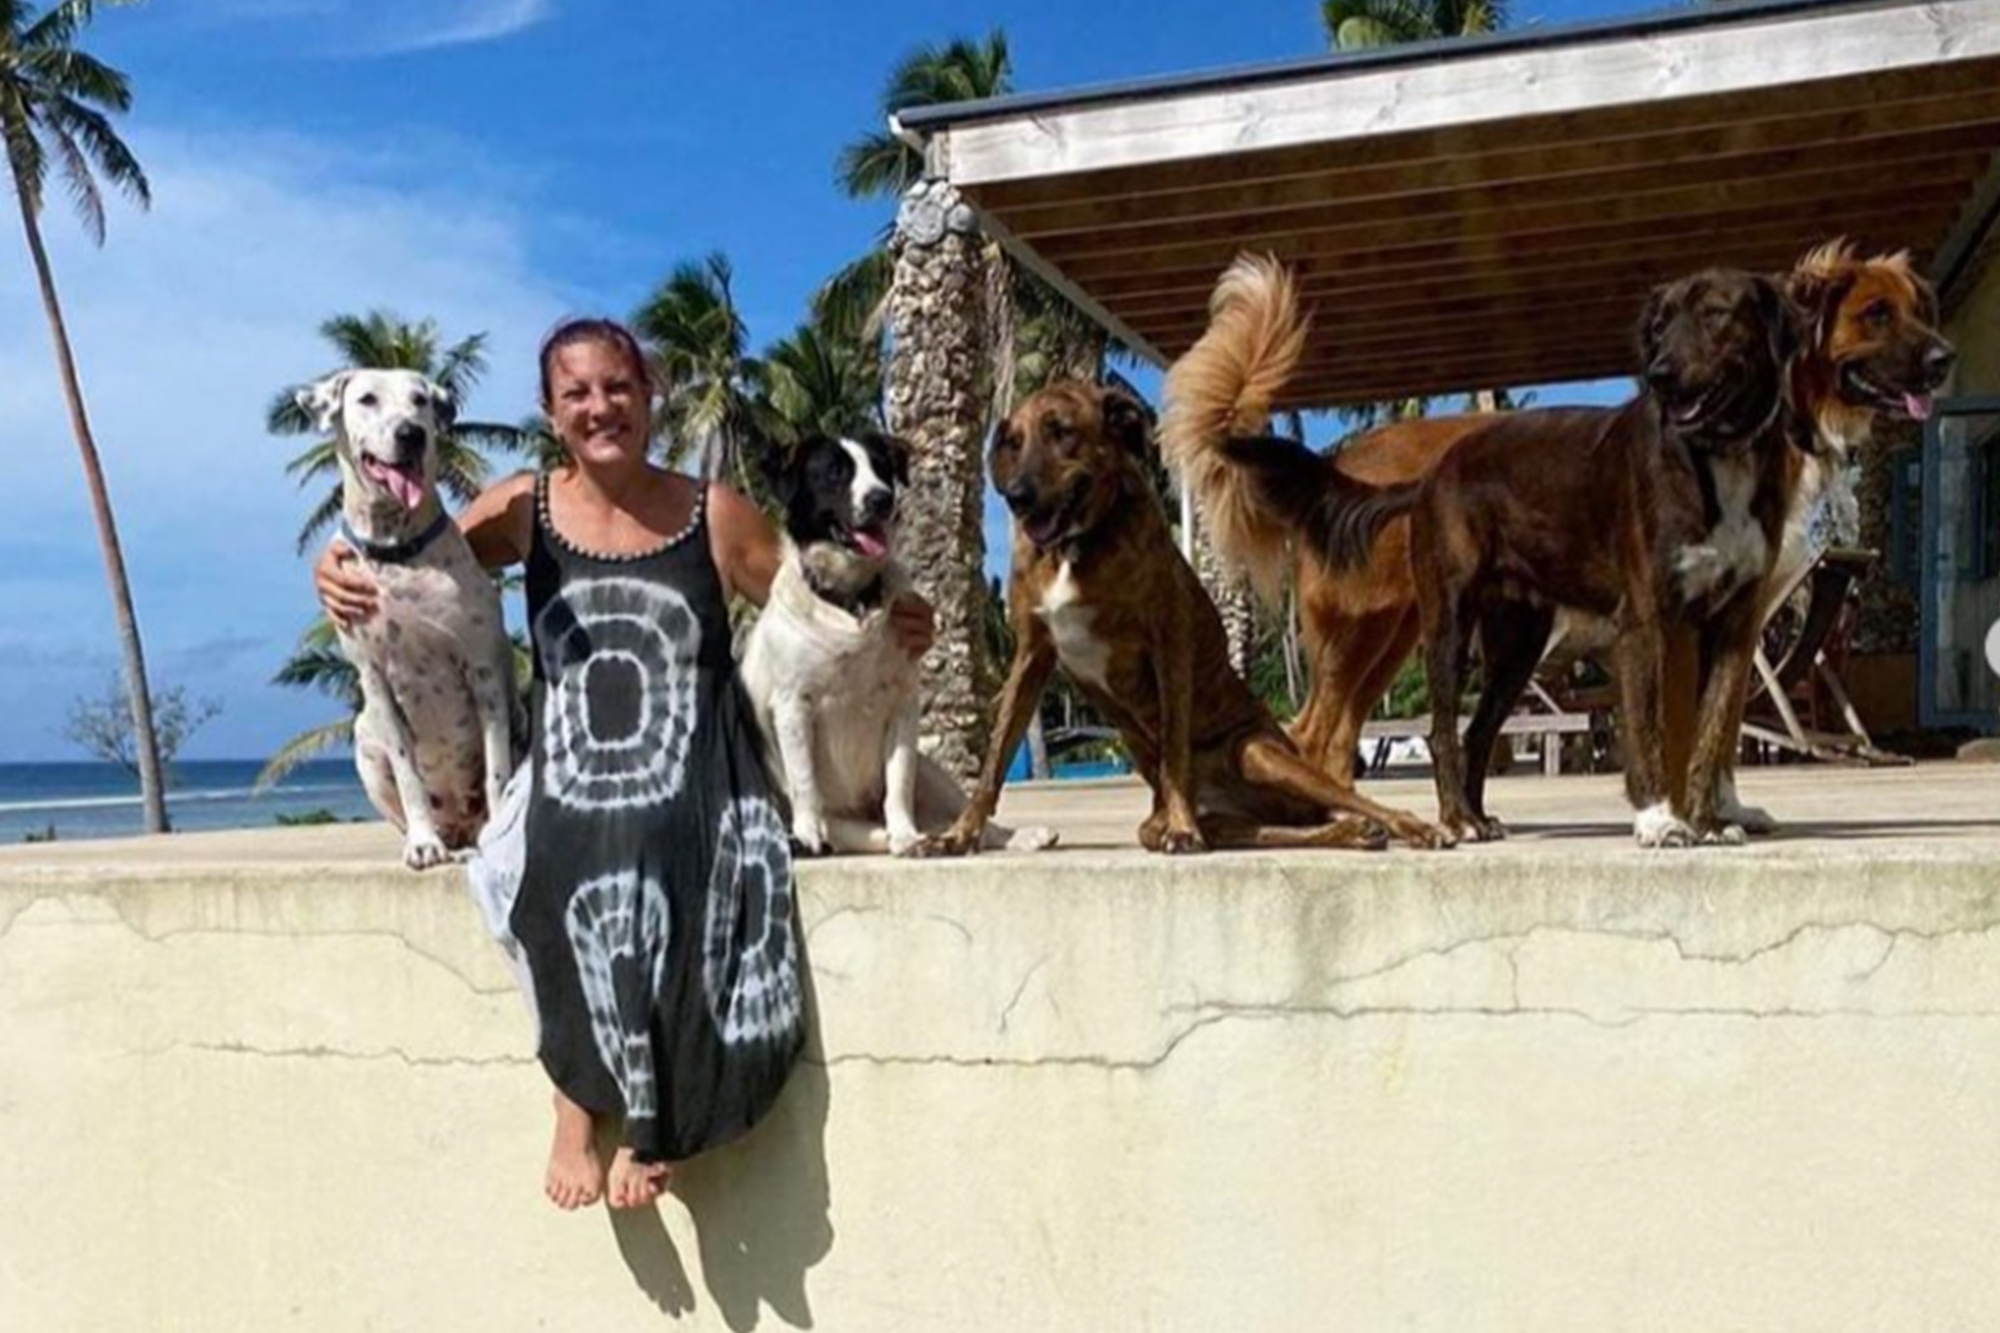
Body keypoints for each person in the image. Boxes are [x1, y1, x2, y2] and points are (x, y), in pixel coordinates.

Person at [317, 317, 934, 1210]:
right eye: (577, 393)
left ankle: (654, 1114)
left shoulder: (712, 511)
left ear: (649, 396)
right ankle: (575, 1103)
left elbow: (823, 595)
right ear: (550, 411)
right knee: (554, 841)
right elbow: (410, 539)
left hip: (698, 742)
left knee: (664, 836)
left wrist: (909, 617)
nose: (600, 406)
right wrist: (329, 565)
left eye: (618, 386)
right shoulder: (520, 508)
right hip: (574, 743)